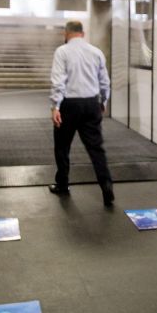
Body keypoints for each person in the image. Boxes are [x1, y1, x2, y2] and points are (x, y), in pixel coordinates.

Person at [49, 20, 114, 206]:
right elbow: (104, 81)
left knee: (62, 146)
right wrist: (103, 100)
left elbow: (58, 81)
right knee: (96, 149)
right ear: (82, 34)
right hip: (91, 104)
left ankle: (62, 184)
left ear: (66, 33)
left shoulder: (62, 51)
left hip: (69, 105)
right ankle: (106, 185)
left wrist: (55, 106)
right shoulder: (96, 52)